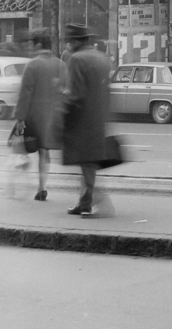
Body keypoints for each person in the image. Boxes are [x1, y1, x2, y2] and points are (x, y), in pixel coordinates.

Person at [58, 24, 114, 218]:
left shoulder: (76, 59)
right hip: (98, 117)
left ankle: (96, 200)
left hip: (81, 118)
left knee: (84, 160)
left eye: (69, 42)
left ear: (74, 42)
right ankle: (85, 202)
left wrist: (62, 112)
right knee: (88, 162)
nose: (67, 46)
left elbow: (74, 93)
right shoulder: (102, 58)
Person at [13, 29, 64, 201]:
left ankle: (18, 184)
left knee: (21, 148)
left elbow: (25, 93)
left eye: (33, 45)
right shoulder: (60, 64)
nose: (32, 49)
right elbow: (64, 91)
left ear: (39, 45)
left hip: (33, 116)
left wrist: (20, 119)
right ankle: (42, 187)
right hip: (52, 116)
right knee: (44, 151)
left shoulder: (33, 65)